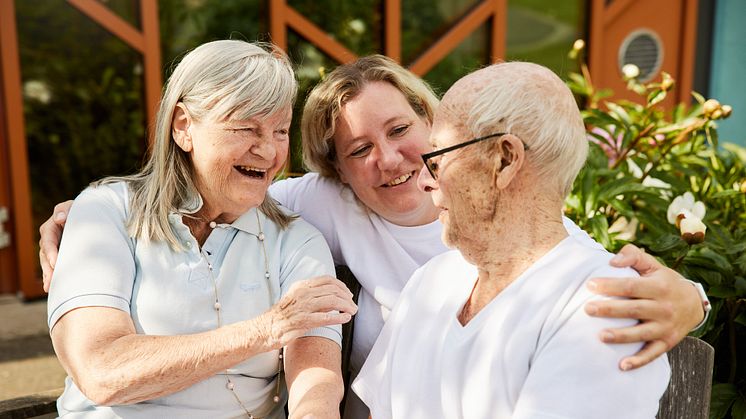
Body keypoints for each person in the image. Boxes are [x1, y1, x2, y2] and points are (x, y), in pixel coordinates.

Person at [40, 55, 707, 418]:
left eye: (399, 131)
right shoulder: (322, 206)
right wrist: (97, 215)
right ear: (337, 174)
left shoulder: (520, 224)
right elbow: (223, 184)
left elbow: (573, 262)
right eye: (358, 150)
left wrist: (692, 298)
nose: (389, 161)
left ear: (433, 118)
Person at [46, 40, 357, 418]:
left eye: (280, 131)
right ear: (184, 128)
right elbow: (101, 371)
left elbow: (316, 385)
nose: (269, 151)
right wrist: (267, 328)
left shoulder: (297, 240)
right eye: (246, 128)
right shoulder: (107, 212)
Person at [352, 61, 671, 418]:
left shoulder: (604, 307)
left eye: (438, 159)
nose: (425, 181)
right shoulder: (431, 281)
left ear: (504, 159)